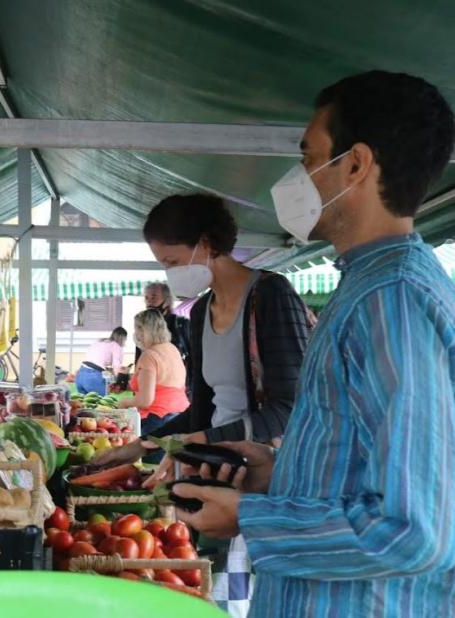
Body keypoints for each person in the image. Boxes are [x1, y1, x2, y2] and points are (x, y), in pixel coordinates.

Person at [172, 71, 455, 617]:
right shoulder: (368, 287)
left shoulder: (392, 301)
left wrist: (250, 520)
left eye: (309, 158)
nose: (299, 177)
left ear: (355, 164)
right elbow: (374, 466)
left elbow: (413, 530)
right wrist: (281, 475)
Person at [93, 193, 310, 616]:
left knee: (244, 595)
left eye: (172, 262)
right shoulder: (201, 311)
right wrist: (144, 445)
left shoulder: (271, 295)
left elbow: (291, 407)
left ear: (207, 244)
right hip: (215, 470)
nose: (169, 273)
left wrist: (198, 438)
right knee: (209, 588)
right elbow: (199, 410)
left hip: (268, 479)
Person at [116, 311, 188, 436]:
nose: (136, 334)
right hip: (180, 416)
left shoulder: (149, 356)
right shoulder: (172, 349)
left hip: (157, 420)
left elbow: (145, 400)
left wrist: (123, 403)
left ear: (143, 331)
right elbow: (163, 382)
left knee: (151, 454)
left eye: (136, 329)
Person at [137, 282, 190, 368]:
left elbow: (193, 356)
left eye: (154, 297)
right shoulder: (142, 326)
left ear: (167, 300)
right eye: (146, 298)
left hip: (176, 378)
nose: (149, 302)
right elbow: (139, 359)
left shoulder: (181, 324)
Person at [75, 326, 127, 395]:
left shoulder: (99, 341)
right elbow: (116, 367)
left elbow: (97, 362)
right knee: (104, 404)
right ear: (123, 338)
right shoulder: (116, 345)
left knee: (85, 403)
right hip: (93, 377)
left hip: (80, 374)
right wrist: (119, 383)